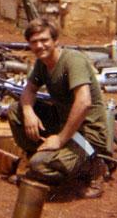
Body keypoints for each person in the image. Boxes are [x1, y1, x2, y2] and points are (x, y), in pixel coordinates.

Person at [7, 17, 109, 198]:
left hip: (88, 133)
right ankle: (36, 158)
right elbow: (29, 90)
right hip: (64, 123)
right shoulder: (42, 63)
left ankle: (93, 168)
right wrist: (29, 112)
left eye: (44, 40)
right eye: (34, 42)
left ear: (55, 41)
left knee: (40, 166)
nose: (39, 46)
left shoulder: (72, 60)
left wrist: (60, 140)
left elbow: (84, 102)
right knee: (17, 110)